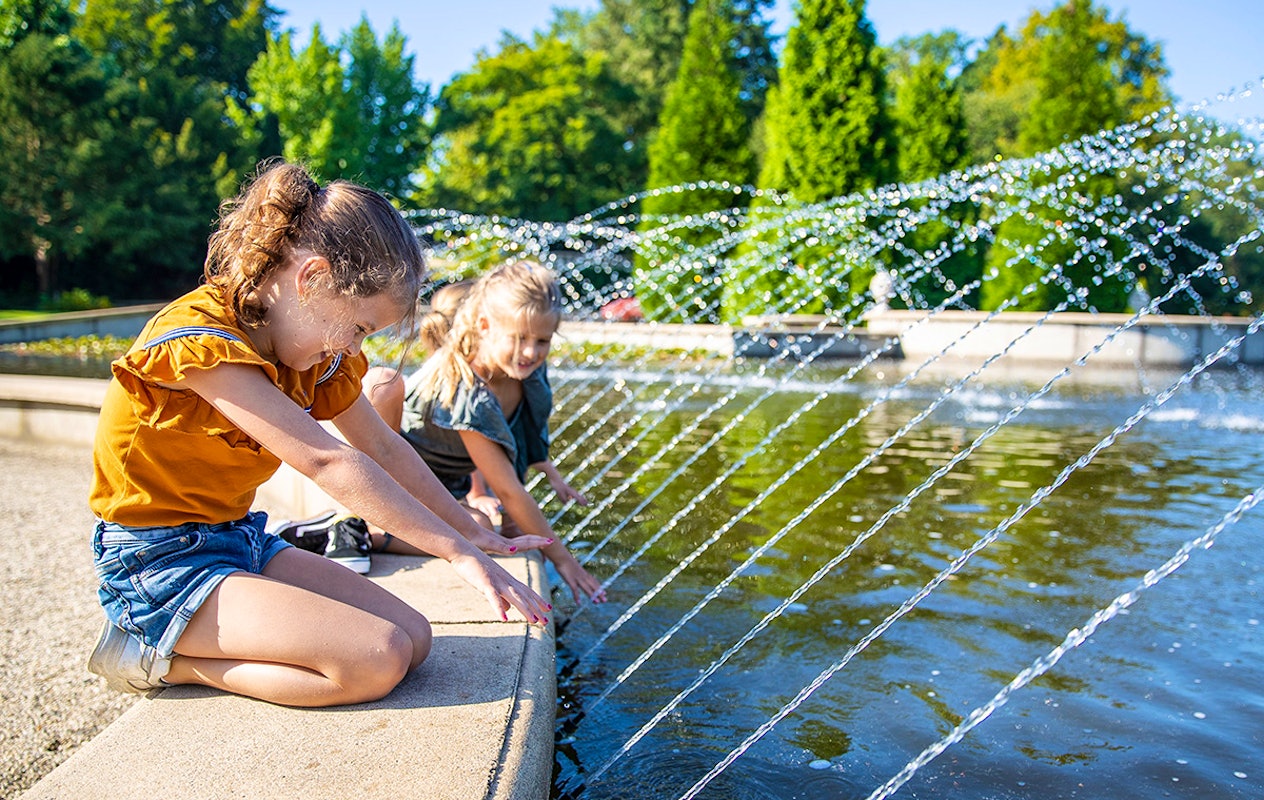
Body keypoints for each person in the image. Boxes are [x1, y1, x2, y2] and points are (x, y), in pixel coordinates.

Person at [87, 160, 553, 708]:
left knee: (415, 640)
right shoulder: (201, 342)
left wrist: (471, 535)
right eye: (358, 328)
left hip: (239, 538)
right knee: (372, 661)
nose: (356, 350)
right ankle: (161, 657)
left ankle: (190, 638)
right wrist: (455, 554)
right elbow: (327, 461)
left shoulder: (308, 353)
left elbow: (382, 445)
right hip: (158, 562)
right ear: (311, 279)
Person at [355, 262, 607, 605]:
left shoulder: (524, 373)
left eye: (542, 340)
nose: (531, 352)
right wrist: (563, 559)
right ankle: (367, 531)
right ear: (485, 327)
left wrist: (546, 479)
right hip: (399, 481)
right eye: (519, 338)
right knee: (482, 531)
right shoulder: (469, 391)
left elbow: (525, 435)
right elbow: (507, 488)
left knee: (495, 528)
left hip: (445, 486)